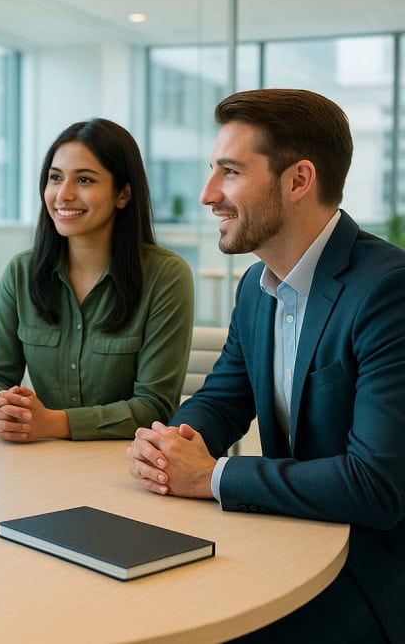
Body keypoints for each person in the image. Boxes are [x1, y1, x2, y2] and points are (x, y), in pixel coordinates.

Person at [126, 89, 405, 641]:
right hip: (285, 542)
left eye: (230, 172)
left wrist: (212, 476)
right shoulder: (257, 285)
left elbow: (376, 485)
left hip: (368, 574)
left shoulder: (387, 290)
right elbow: (224, 398)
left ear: (299, 180)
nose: (208, 195)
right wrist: (168, 446)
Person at [0, 118, 194, 442]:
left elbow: (153, 406)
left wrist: (55, 423)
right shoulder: (21, 272)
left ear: (123, 194)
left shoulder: (166, 277)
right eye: (55, 178)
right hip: (40, 462)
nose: (63, 194)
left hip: (126, 469)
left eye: (85, 180)